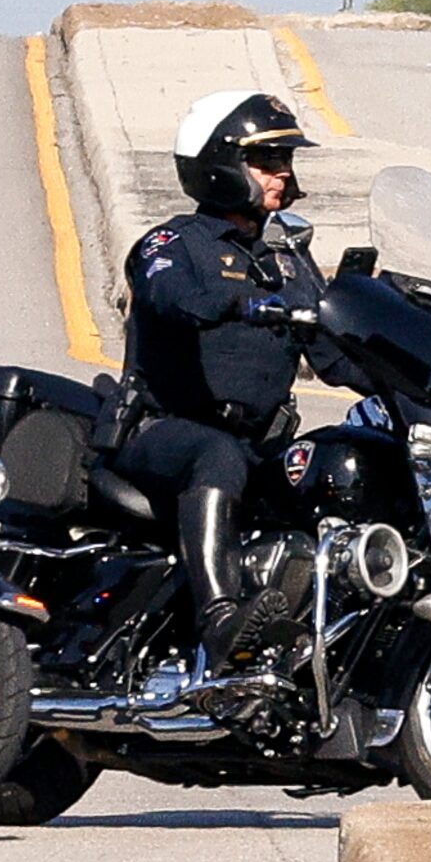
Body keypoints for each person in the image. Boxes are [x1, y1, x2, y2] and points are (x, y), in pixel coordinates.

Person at [112, 90, 353, 679]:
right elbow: (172, 298)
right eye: (268, 162)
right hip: (163, 432)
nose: (283, 174)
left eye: (286, 162)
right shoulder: (173, 244)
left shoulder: (291, 261)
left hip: (257, 445)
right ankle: (220, 622)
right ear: (221, 165)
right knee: (216, 455)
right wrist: (244, 302)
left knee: (342, 462)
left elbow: (337, 358)